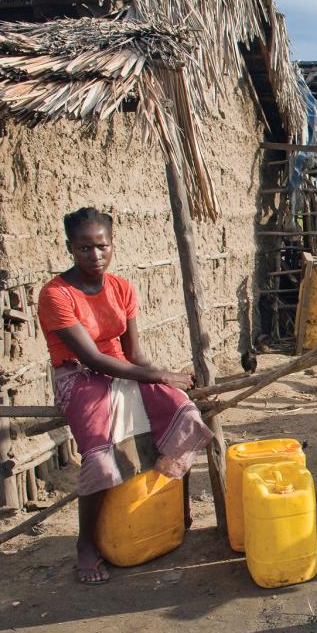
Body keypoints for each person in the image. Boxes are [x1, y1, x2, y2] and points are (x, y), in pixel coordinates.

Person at [37, 207, 212, 585]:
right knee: (100, 458)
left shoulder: (121, 288)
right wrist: (160, 375)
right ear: (70, 248)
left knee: (184, 413)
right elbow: (92, 358)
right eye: (84, 248)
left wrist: (163, 383)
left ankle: (176, 508)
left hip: (123, 370)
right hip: (80, 377)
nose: (94, 255)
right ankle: (86, 545)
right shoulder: (55, 295)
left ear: (112, 245)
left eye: (102, 246)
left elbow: (134, 355)